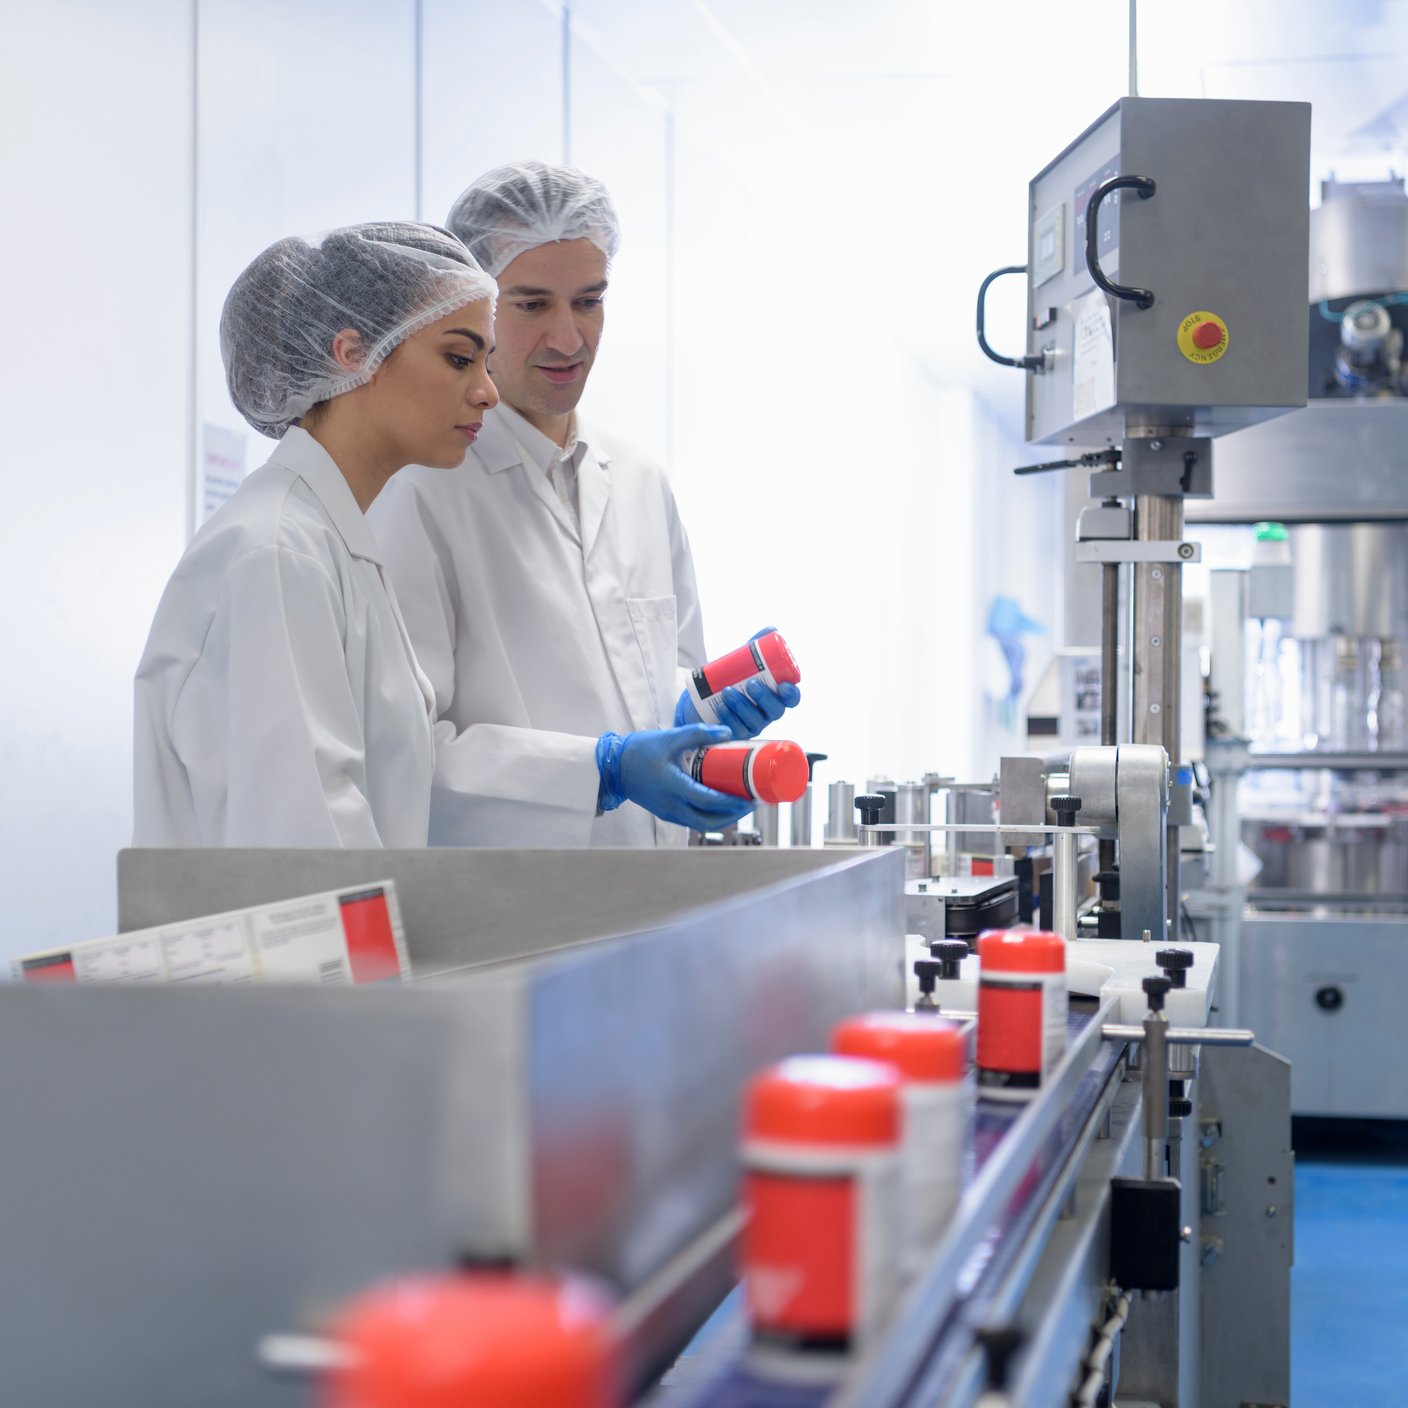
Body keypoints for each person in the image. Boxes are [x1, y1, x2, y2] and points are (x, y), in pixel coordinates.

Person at [134, 221, 734, 847]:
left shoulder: (335, 544)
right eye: (458, 358)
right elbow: (305, 854)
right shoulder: (276, 554)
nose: (486, 390)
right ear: (351, 353)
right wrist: (604, 772)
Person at [369, 162, 800, 847]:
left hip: (647, 907)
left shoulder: (638, 481)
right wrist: (598, 772)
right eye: (533, 304)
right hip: (512, 921)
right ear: (469, 309)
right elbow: (402, 754)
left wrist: (700, 714)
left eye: (589, 301)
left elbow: (661, 682)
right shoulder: (419, 490)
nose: (569, 339)